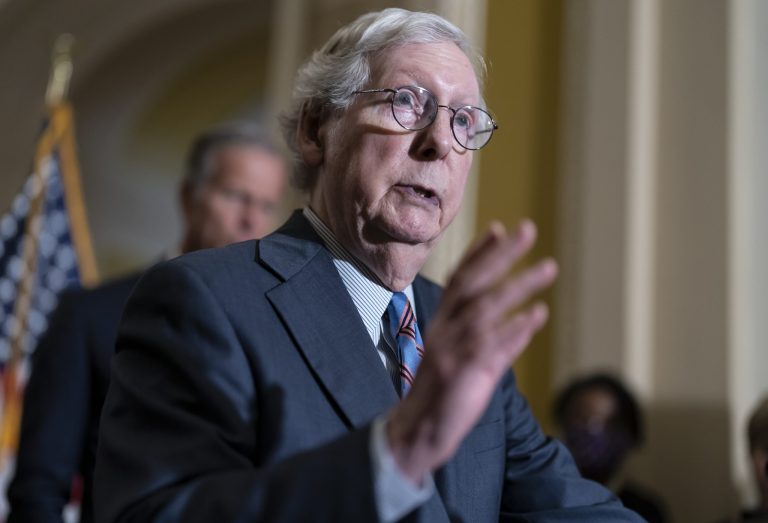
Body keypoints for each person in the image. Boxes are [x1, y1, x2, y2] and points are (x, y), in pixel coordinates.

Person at [94, 9, 642, 522]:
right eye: (406, 102)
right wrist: (394, 456)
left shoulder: (458, 327)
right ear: (315, 131)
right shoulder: (203, 300)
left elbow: (571, 509)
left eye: (464, 121)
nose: (438, 144)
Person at [6, 122, 287, 523]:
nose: (251, 221)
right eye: (236, 196)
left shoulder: (279, 322)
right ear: (189, 197)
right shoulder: (89, 317)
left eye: (265, 205)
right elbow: (38, 490)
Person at [553, 373, 669, 522]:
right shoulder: (542, 500)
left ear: (631, 433)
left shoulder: (646, 511)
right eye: (582, 418)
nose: (593, 429)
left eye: (610, 422)